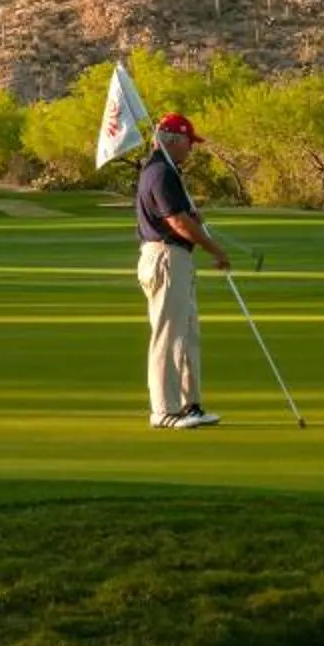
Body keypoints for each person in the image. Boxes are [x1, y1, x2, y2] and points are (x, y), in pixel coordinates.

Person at [135, 111, 231, 428]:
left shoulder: (168, 171)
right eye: (189, 142)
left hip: (175, 257)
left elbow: (180, 215)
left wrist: (192, 217)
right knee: (169, 334)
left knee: (187, 334)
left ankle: (191, 405)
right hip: (165, 256)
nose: (191, 148)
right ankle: (164, 410)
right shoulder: (161, 172)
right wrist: (215, 249)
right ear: (174, 140)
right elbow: (176, 222)